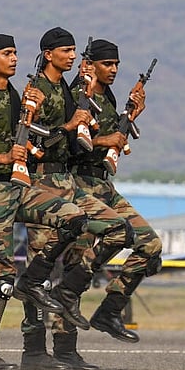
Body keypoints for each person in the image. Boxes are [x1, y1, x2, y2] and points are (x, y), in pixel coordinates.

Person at [0, 34, 102, 370]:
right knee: (2, 278)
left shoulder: (18, 96)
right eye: (7, 53)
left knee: (75, 219)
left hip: (21, 189)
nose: (15, 58)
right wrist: (2, 157)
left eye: (16, 53)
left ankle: (32, 281)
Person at [22, 27, 130, 370]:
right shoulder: (38, 89)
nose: (72, 56)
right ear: (48, 53)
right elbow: (29, 140)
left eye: (74, 51)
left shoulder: (68, 92)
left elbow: (78, 143)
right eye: (66, 50)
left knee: (73, 264)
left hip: (68, 181)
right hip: (41, 182)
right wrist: (70, 127)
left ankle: (66, 349)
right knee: (38, 271)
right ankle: (34, 351)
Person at [67, 39, 162, 343]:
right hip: (79, 185)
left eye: (117, 64)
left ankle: (110, 310)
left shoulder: (106, 98)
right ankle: (63, 347)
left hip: (104, 185)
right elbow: (68, 145)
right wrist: (106, 141)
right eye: (108, 64)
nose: (114, 70)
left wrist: (132, 117)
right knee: (76, 261)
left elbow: (114, 137)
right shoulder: (76, 97)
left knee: (150, 244)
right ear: (90, 65)